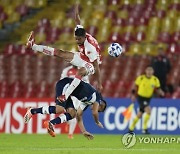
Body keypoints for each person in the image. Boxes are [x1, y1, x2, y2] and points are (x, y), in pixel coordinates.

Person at [26, 4, 102, 103]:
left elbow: (96, 66)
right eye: (76, 39)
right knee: (60, 53)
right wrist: (76, 9)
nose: (77, 41)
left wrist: (99, 83)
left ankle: (65, 96)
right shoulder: (80, 32)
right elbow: (77, 21)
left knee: (80, 72)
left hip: (92, 63)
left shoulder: (89, 48)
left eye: (79, 39)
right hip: (83, 56)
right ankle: (33, 45)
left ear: (84, 37)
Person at [24, 77, 107, 139]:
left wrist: (84, 131)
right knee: (59, 108)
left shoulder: (86, 103)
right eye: (99, 110)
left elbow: (79, 116)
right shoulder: (97, 97)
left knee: (73, 113)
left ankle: (51, 123)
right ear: (101, 105)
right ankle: (32, 111)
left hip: (69, 92)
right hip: (65, 85)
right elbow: (95, 112)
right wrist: (97, 122)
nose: (94, 109)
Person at [129, 66, 164, 134]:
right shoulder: (141, 78)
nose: (149, 72)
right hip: (141, 97)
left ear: (153, 72)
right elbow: (135, 86)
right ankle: (144, 129)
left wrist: (161, 92)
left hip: (148, 98)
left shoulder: (155, 80)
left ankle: (131, 128)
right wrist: (133, 95)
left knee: (140, 114)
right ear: (146, 71)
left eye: (151, 70)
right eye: (148, 70)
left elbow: (158, 88)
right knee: (148, 110)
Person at [60, 65, 89, 139]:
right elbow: (62, 82)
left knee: (75, 114)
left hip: (78, 96)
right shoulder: (67, 70)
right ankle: (68, 122)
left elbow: (87, 82)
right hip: (68, 95)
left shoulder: (83, 70)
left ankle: (70, 134)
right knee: (67, 113)